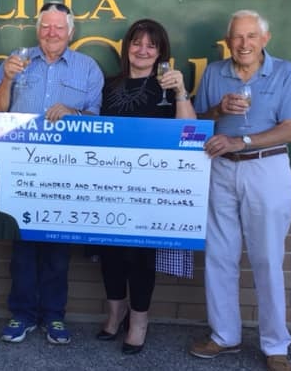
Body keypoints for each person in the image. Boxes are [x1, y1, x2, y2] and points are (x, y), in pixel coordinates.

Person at [189, 10, 291, 371]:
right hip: (221, 169)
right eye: (237, 37)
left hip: (265, 168)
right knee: (220, 256)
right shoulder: (214, 73)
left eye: (251, 36)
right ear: (228, 40)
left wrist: (243, 141)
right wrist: (218, 109)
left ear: (265, 39)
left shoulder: (284, 72)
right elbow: (199, 122)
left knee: (267, 258)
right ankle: (224, 335)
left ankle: (275, 345)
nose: (244, 44)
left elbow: (290, 129)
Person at [0, 1, 104, 345]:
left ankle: (54, 316)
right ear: (37, 30)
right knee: (22, 248)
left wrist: (73, 111)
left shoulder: (88, 68)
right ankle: (22, 315)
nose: (51, 32)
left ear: (71, 32)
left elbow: (98, 121)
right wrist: (8, 79)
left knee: (57, 248)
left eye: (58, 27)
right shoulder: (16, 60)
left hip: (66, 172)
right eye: (45, 26)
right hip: (21, 169)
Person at [94, 18, 196, 355]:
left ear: (161, 52)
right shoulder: (108, 85)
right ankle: (115, 313)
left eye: (151, 45)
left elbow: (189, 133)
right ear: (127, 48)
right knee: (109, 252)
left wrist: (181, 91)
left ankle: (139, 321)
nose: (143, 50)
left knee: (139, 256)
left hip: (150, 189)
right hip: (107, 187)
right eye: (137, 43)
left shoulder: (169, 87)